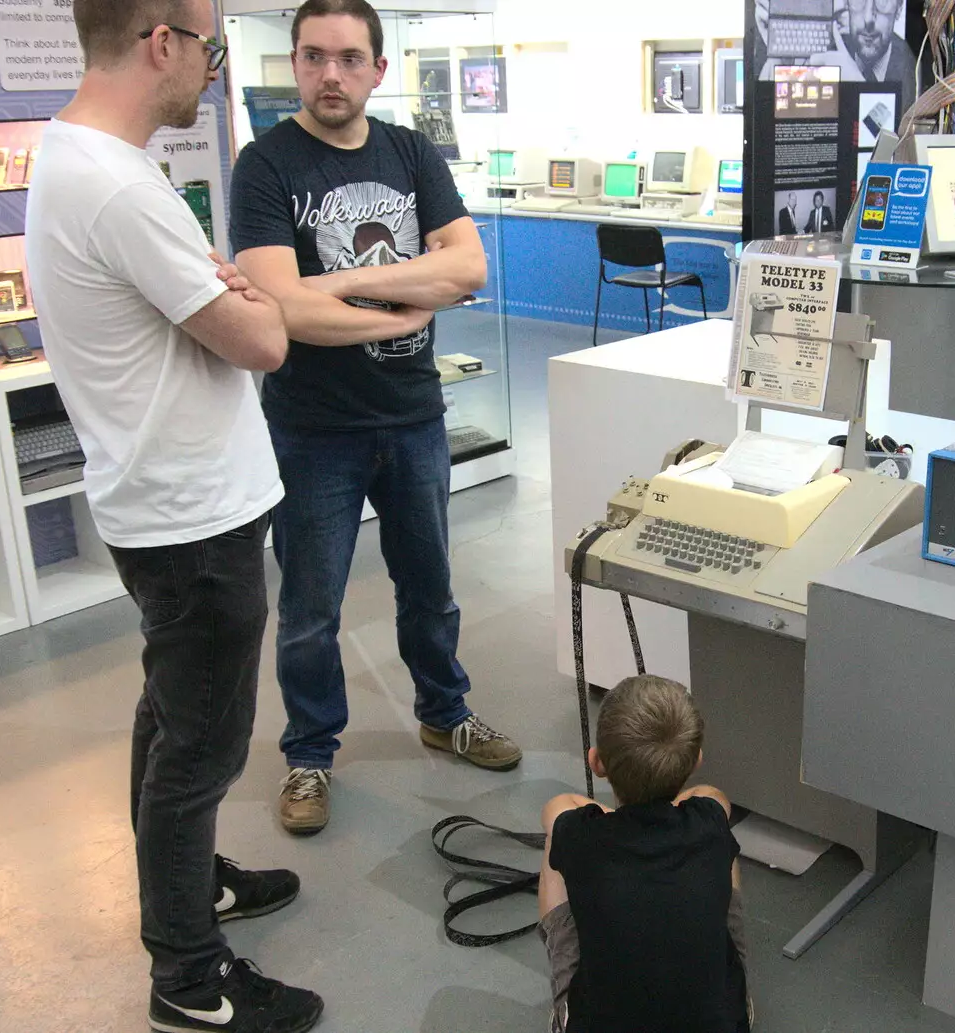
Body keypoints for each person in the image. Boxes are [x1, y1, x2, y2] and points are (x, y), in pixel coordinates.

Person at [24, 0, 323, 1029]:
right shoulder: (116, 187)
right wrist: (258, 304)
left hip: (164, 507)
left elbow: (222, 308)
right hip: (190, 521)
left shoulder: (78, 160)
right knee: (200, 748)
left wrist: (239, 299)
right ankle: (189, 975)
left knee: (170, 722)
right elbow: (261, 340)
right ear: (162, 41)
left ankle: (191, 889)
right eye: (211, 46)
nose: (211, 67)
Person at [230, 0, 522, 838]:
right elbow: (282, 314)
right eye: (315, 57)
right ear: (294, 63)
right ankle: (310, 754)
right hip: (314, 430)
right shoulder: (266, 167)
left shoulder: (410, 151)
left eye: (350, 58)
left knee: (430, 586)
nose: (332, 74)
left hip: (412, 417)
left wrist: (329, 289)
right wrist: (402, 305)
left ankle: (445, 709)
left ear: (377, 71)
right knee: (313, 605)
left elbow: (467, 266)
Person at [539, 675, 751, 1033]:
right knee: (720, 843)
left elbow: (556, 809)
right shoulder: (710, 819)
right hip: (721, 1025)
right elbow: (712, 797)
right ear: (696, 759)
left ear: (596, 762)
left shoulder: (579, 835)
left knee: (555, 843)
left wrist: (606, 817)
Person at [753, 0, 917, 115]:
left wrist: (858, 88)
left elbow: (897, 144)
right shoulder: (826, 49)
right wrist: (780, 60)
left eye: (883, 2)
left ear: (900, 8)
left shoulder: (910, 66)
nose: (868, 19)